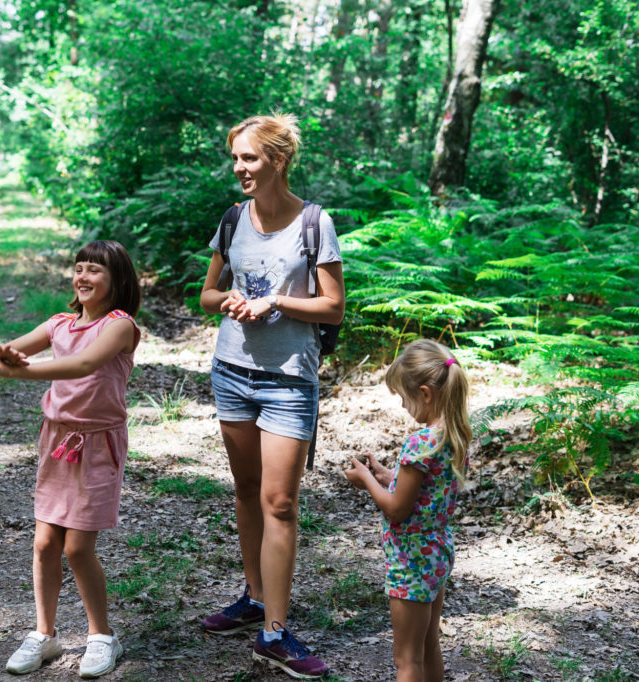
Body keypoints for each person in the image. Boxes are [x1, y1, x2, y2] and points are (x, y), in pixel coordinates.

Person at [198, 113, 345, 680]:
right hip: (231, 370)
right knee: (246, 489)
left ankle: (275, 633)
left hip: (288, 378)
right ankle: (254, 599)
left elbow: (332, 305)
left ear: (278, 161)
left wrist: (275, 303)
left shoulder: (314, 222)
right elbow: (208, 295)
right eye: (236, 158)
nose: (239, 168)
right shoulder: (233, 219)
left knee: (279, 502)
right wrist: (232, 300)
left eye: (250, 158)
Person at [0, 240, 140, 679]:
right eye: (78, 268)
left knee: (78, 547)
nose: (83, 276)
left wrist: (19, 371)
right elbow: (15, 346)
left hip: (97, 444)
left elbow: (84, 365)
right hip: (57, 440)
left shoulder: (120, 326)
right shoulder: (60, 322)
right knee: (45, 543)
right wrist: (3, 354)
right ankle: (44, 635)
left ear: (117, 280)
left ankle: (102, 636)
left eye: (95, 270)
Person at [344, 339, 472, 682]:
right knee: (429, 645)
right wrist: (385, 475)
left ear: (426, 393)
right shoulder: (453, 435)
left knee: (407, 660)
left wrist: (366, 482)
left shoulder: (420, 442)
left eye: (404, 396)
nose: (403, 405)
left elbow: (398, 509)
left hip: (411, 559)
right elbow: (424, 491)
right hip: (437, 553)